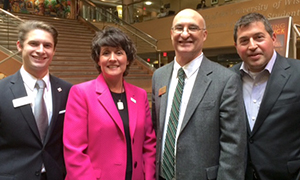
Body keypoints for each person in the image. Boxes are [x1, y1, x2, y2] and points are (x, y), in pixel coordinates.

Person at [152, 8, 246, 180]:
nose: (185, 34)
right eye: (179, 28)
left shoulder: (225, 80)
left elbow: (233, 146)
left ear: (204, 35)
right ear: (172, 34)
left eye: (193, 28)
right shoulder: (159, 76)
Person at [63, 26, 156, 180]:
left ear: (128, 59)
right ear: (98, 60)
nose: (113, 58)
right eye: (106, 53)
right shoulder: (81, 93)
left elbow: (149, 144)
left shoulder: (140, 95)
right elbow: (75, 151)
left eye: (119, 52)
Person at [0, 20, 72, 180]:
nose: (41, 51)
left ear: (54, 50)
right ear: (20, 46)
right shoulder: (1, 91)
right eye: (34, 44)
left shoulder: (68, 91)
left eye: (47, 45)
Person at [232, 12, 300, 180]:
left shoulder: (298, 72)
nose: (252, 45)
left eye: (259, 37)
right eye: (244, 40)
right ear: (236, 46)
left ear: (273, 38)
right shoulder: (227, 79)